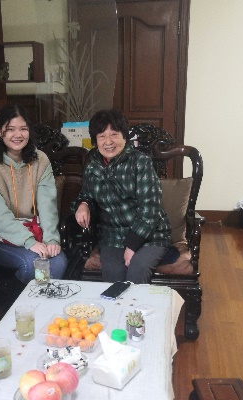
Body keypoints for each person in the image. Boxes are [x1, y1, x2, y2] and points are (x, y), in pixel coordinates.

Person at [73, 109, 172, 284]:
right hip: (112, 237)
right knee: (113, 274)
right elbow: (86, 194)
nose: (108, 142)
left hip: (150, 235)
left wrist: (132, 245)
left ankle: (136, 304)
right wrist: (83, 204)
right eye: (102, 136)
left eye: (114, 134)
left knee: (137, 269)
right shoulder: (92, 164)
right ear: (95, 140)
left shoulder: (140, 162)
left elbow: (150, 209)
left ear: (124, 136)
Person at [0, 104, 68, 284]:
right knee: (32, 264)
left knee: (58, 262)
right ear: (0, 131)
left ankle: (38, 301)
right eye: (10, 129)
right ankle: (17, 301)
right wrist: (29, 242)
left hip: (35, 232)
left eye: (23, 129)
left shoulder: (40, 160)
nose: (18, 135)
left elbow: (47, 205)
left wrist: (51, 238)